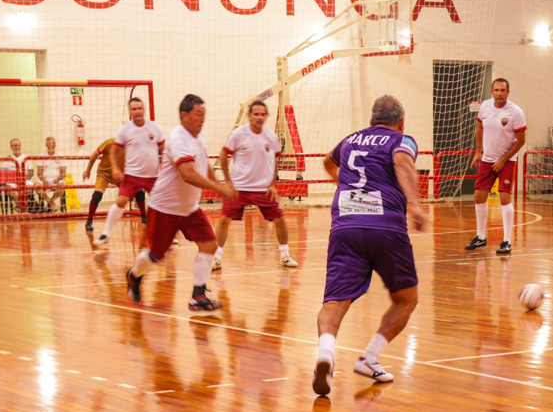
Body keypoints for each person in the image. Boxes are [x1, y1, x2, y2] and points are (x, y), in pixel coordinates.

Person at [312, 95, 426, 396]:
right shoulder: (402, 140)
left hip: (345, 226)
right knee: (405, 300)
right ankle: (369, 358)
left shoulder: (350, 140)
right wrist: (415, 205)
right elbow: (402, 162)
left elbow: (327, 162)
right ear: (401, 123)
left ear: (372, 119)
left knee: (335, 301)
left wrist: (349, 186)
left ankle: (326, 353)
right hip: (385, 227)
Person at [125, 94, 236, 310]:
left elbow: (204, 165)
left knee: (209, 244)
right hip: (165, 208)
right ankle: (134, 275)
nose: (202, 119)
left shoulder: (200, 137)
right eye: (198, 114)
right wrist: (219, 189)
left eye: (204, 114)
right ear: (184, 115)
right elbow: (188, 174)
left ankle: (198, 295)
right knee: (155, 255)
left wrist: (219, 183)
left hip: (189, 207)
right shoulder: (178, 138)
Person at [212, 100, 298, 271]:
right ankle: (216, 257)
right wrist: (228, 181)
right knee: (224, 219)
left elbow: (275, 160)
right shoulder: (238, 134)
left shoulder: (271, 136)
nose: (259, 117)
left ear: (266, 117)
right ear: (249, 116)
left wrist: (273, 184)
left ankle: (285, 255)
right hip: (239, 188)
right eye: (256, 114)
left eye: (263, 115)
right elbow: (223, 155)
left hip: (263, 189)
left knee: (280, 219)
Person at [465, 78, 526, 255]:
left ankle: (507, 241)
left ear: (508, 92)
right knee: (479, 197)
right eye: (497, 90)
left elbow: (521, 141)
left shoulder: (516, 112)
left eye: (503, 90)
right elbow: (480, 128)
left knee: (505, 198)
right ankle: (480, 236)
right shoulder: (485, 106)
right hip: (487, 159)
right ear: (492, 92)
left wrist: (503, 160)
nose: (499, 94)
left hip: (507, 160)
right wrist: (478, 152)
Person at [94, 98, 164, 245]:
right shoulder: (125, 130)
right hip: (132, 176)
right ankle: (106, 233)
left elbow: (164, 149)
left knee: (161, 204)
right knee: (121, 201)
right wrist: (115, 168)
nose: (137, 112)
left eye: (139, 108)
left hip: (152, 175)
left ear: (144, 110)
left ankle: (166, 234)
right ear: (130, 112)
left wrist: (167, 167)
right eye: (134, 109)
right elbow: (114, 150)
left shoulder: (154, 128)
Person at [80, 137, 144, 233]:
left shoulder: (133, 148)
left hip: (119, 174)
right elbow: (94, 154)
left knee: (139, 192)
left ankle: (144, 217)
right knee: (97, 196)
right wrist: (87, 170)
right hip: (104, 174)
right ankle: (89, 221)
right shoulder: (110, 142)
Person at [0, 138, 35, 213]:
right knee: (14, 192)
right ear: (11, 147)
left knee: (28, 188)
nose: (17, 147)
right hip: (12, 181)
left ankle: (21, 208)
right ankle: (23, 209)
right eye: (15, 145)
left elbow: (31, 172)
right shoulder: (7, 159)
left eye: (18, 145)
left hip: (24, 180)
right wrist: (14, 179)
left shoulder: (26, 158)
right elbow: (4, 173)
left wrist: (22, 179)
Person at [36, 136, 66, 211]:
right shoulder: (41, 155)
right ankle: (51, 203)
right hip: (45, 179)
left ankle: (50, 203)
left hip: (57, 179)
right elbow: (39, 172)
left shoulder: (60, 155)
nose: (52, 145)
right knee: (36, 186)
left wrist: (58, 179)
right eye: (49, 143)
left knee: (62, 186)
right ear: (46, 145)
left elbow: (63, 173)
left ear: (55, 145)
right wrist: (44, 181)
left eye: (53, 143)